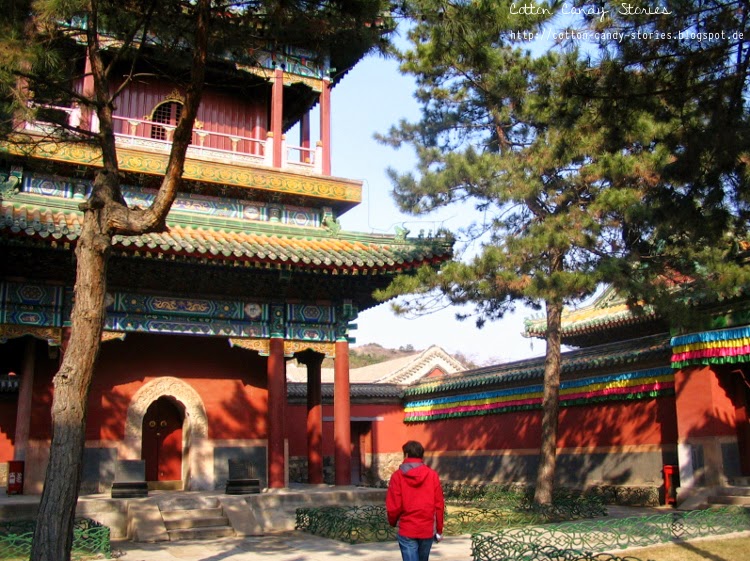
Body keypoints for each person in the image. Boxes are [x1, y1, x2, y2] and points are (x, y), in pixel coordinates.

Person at [385, 440, 445, 561]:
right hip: (427, 528)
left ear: (406, 455)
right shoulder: (432, 475)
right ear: (422, 455)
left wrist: (392, 521)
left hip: (407, 528)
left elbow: (394, 505)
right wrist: (439, 529)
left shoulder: (397, 476)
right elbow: (439, 504)